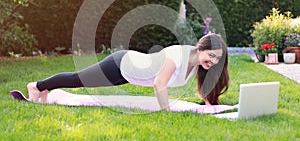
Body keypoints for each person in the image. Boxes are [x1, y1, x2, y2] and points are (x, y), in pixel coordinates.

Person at [27, 33, 229, 111]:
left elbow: (205, 87)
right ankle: (37, 86)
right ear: (201, 47)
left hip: (127, 76)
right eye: (211, 55)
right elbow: (159, 83)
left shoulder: (197, 65)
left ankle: (43, 89)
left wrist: (211, 106)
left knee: (79, 81)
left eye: (217, 59)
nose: (212, 62)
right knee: (77, 79)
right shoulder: (178, 55)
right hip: (122, 64)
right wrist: (167, 113)